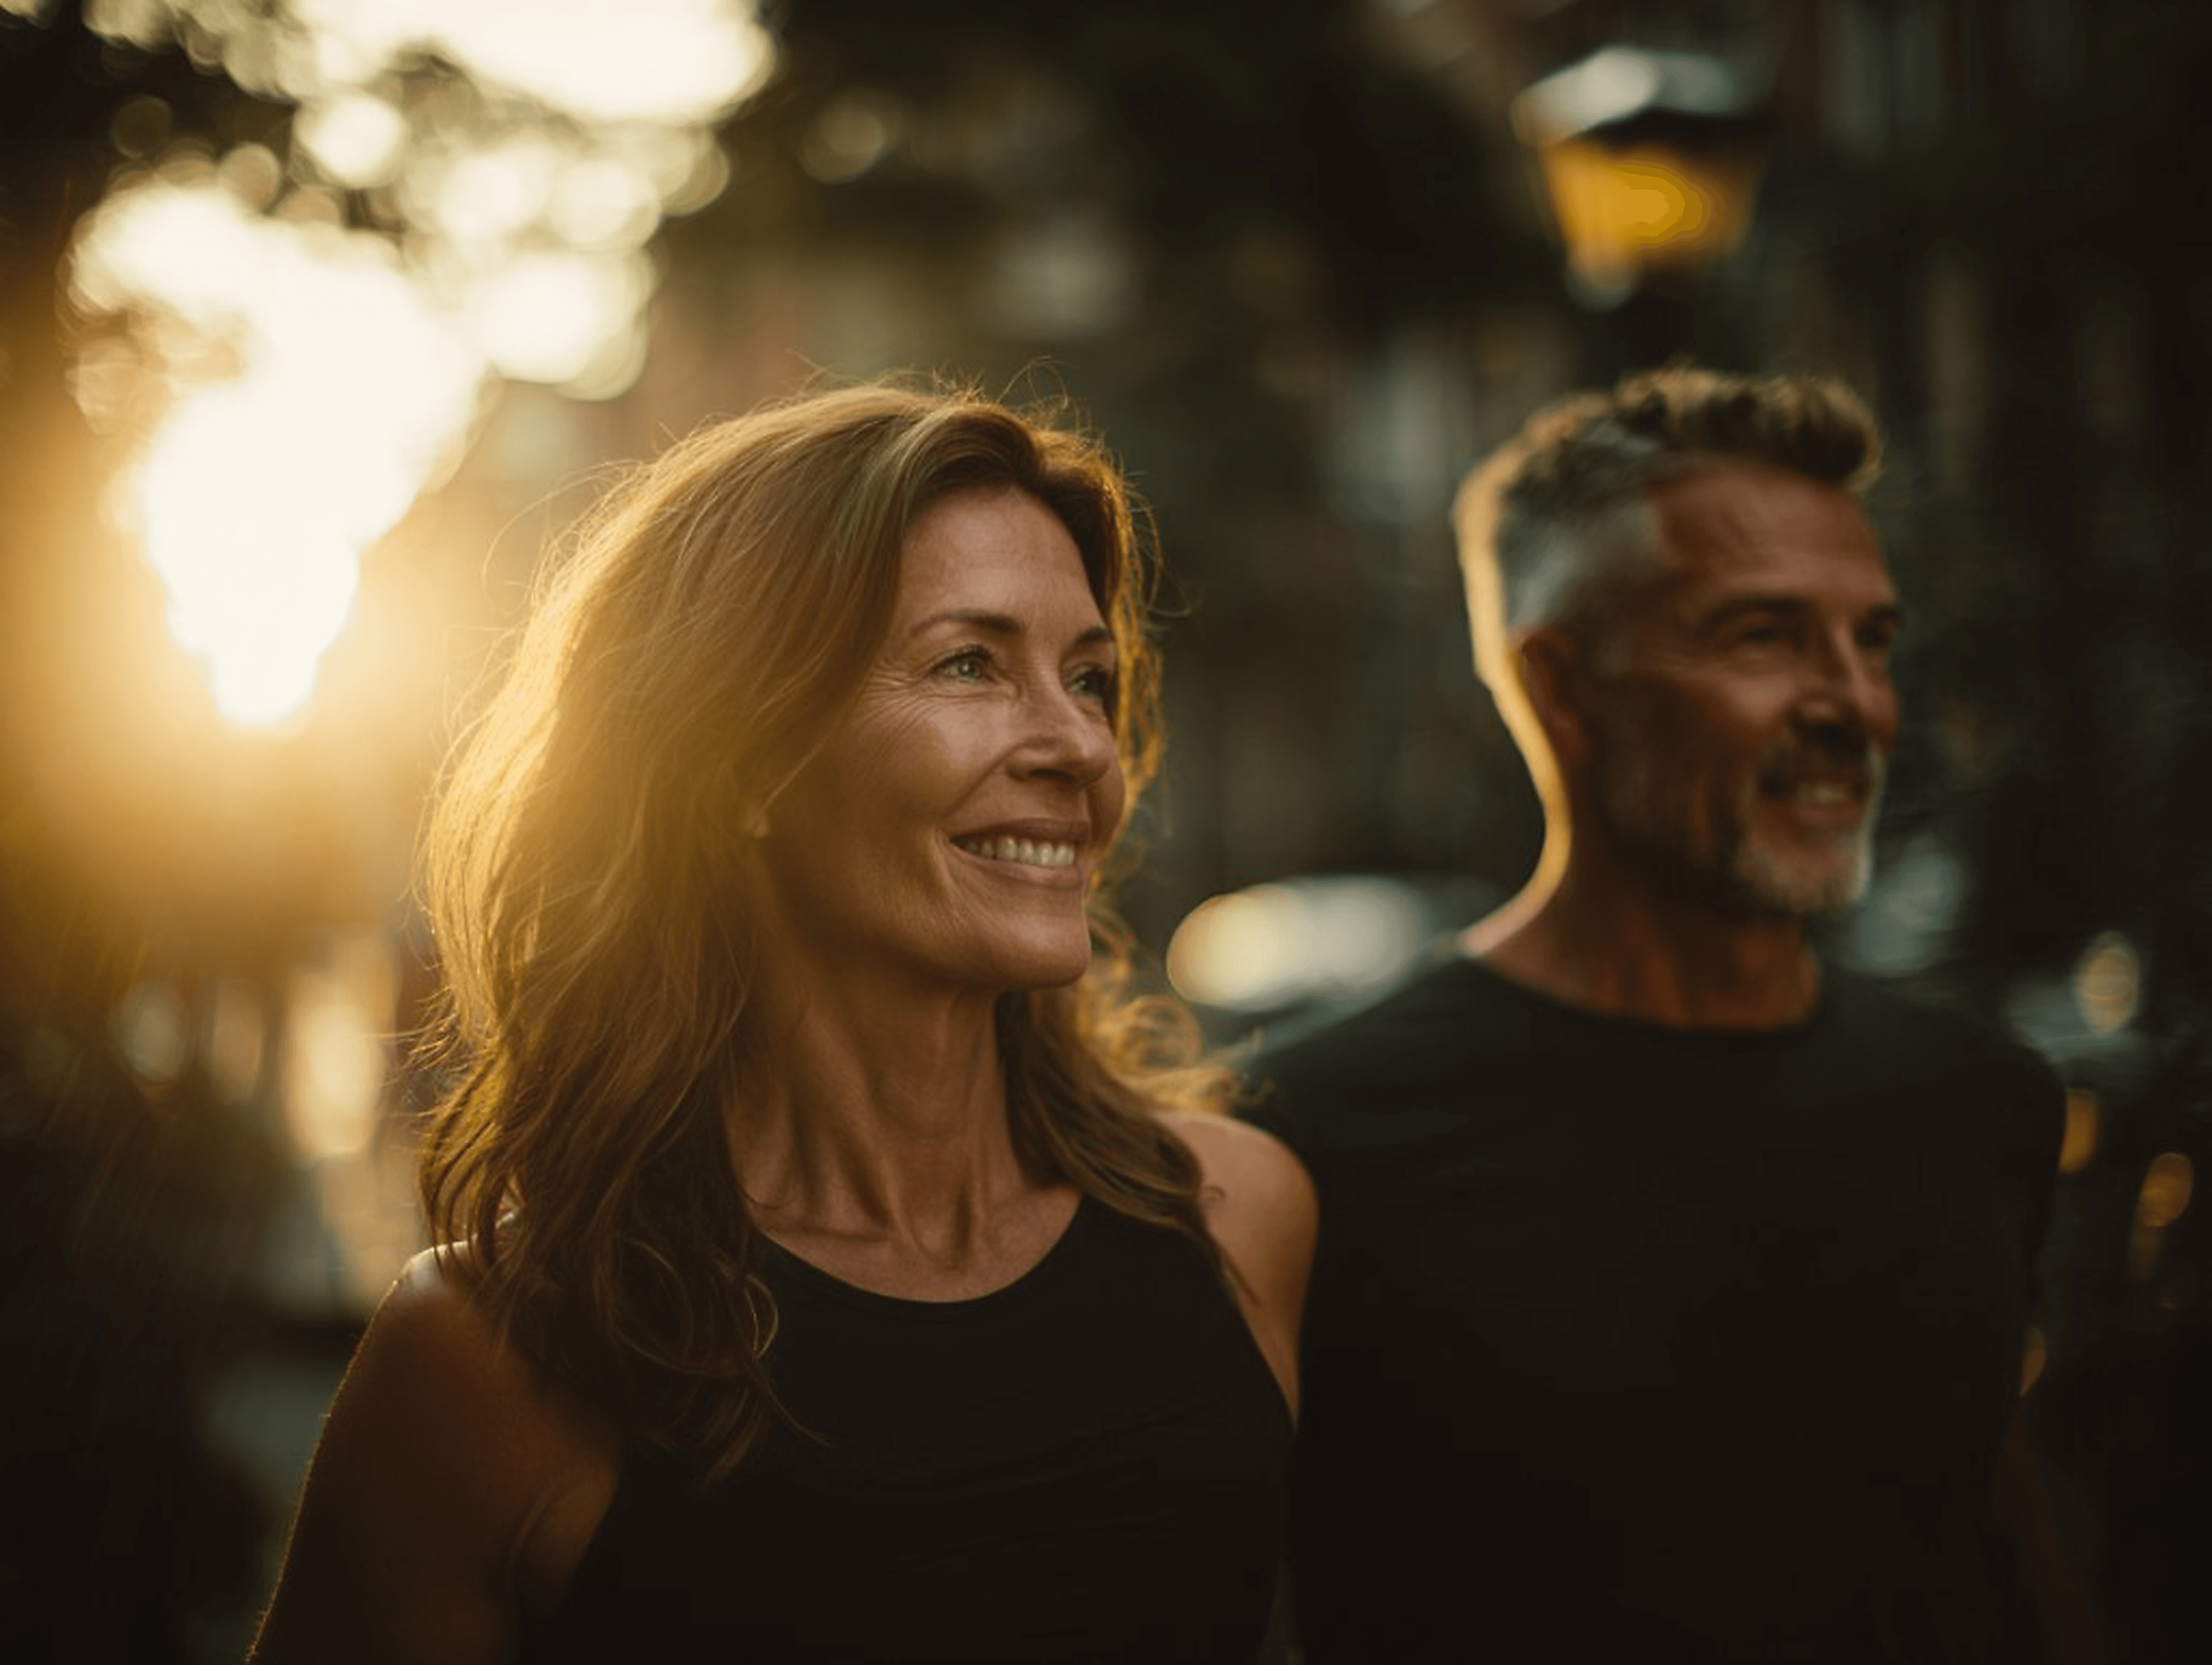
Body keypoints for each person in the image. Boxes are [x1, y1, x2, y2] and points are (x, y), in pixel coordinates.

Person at [247, 379, 1316, 1664]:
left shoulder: (1239, 1218)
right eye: (969, 663)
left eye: (1088, 676)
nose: (1079, 745)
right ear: (744, 761)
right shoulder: (493, 1359)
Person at [1255, 364, 2101, 1662]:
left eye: (1870, 639)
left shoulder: (1978, 1098)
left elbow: (1992, 1538)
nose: (1855, 707)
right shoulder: (1302, 1138)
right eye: (1762, 635)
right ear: (1562, 688)